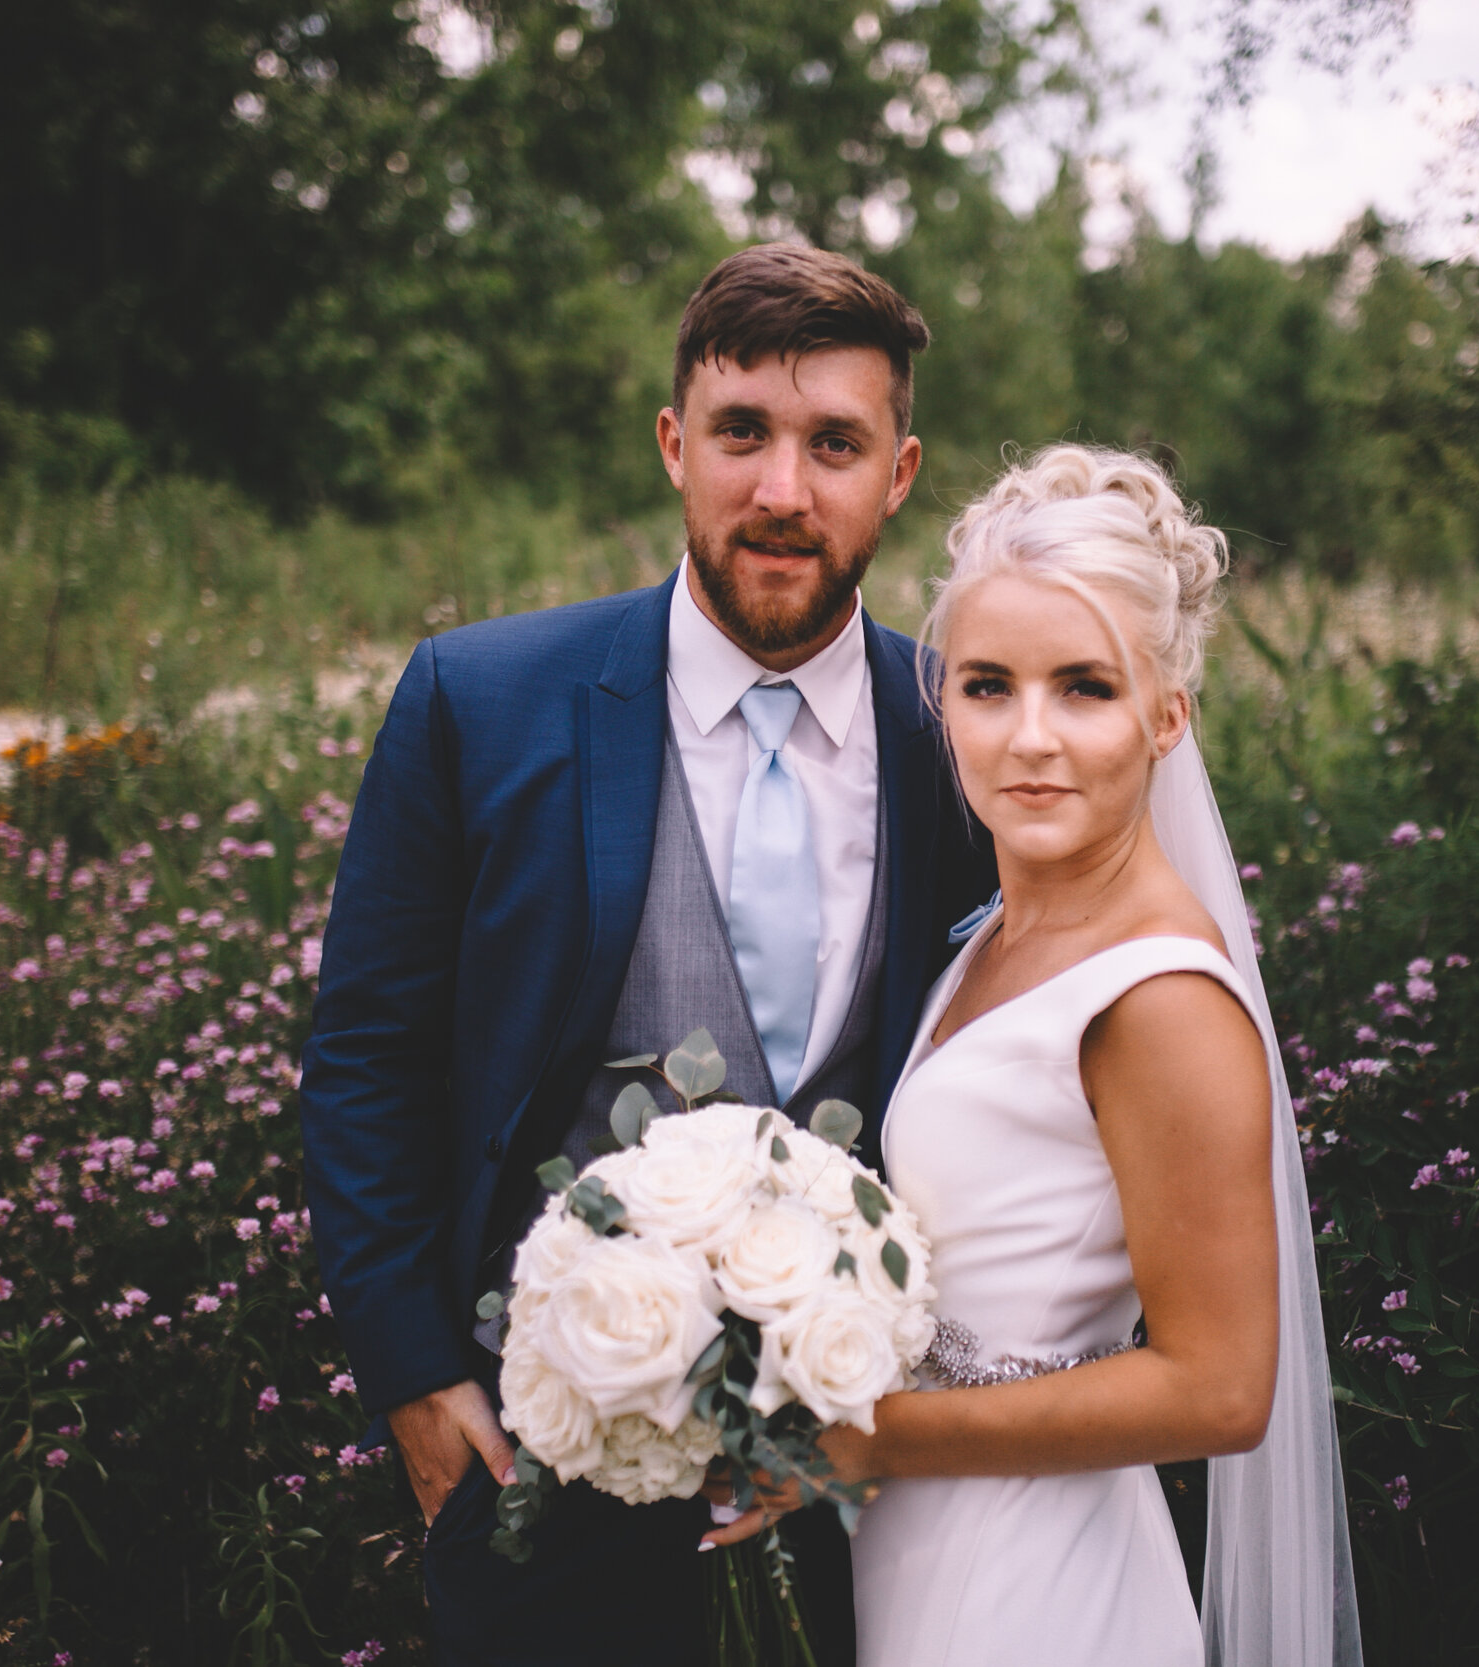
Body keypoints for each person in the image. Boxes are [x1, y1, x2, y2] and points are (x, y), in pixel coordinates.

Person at [300, 244, 997, 1666]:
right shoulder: (479, 700)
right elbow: (365, 1054)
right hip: (540, 1462)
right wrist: (417, 1375)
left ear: (902, 472)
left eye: (836, 444)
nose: (783, 490)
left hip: (881, 1485)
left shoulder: (969, 732)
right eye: (742, 431)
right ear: (677, 443)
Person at [704, 446, 1365, 1665]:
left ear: (1167, 712)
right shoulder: (1003, 932)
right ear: (939, 698)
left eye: (1085, 688)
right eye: (988, 685)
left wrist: (877, 1434)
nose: (1030, 738)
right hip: (925, 1547)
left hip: (1041, 1578)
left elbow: (1217, 1389)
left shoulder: (1158, 995)